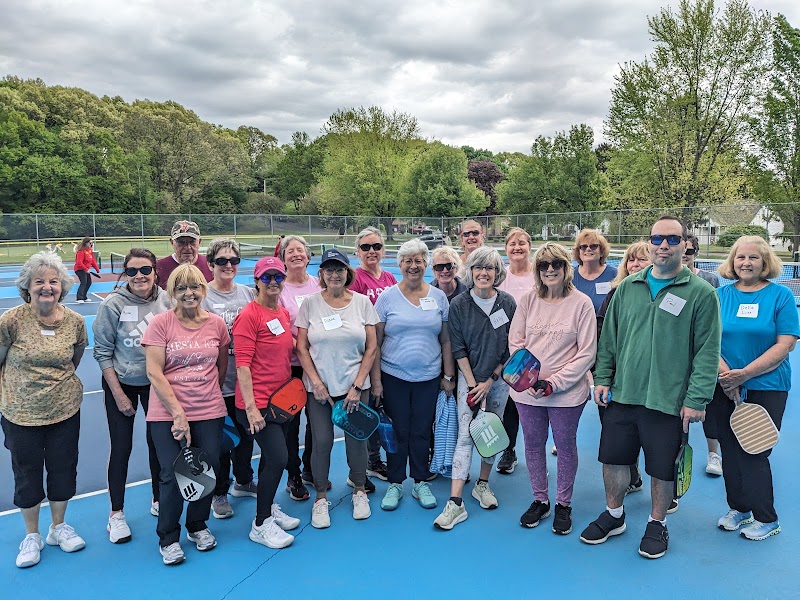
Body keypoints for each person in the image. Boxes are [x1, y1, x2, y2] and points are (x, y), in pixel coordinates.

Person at [581, 216, 721, 560]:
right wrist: (602, 377)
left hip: (668, 400)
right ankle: (614, 515)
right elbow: (609, 338)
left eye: (672, 240)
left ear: (685, 244)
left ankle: (657, 522)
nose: (663, 245)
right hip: (622, 394)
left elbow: (707, 351)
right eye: (657, 238)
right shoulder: (627, 288)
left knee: (661, 466)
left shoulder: (702, 294)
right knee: (613, 460)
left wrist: (697, 398)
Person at [1, 253, 88, 568]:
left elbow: (74, 358)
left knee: (64, 469)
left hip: (64, 411)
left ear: (62, 287)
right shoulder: (10, 321)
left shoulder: (75, 322)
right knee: (27, 474)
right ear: (28, 286)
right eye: (39, 282)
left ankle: (58, 527)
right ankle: (32, 534)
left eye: (53, 281)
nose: (46, 287)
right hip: (20, 415)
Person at [709, 236, 798, 540]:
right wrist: (727, 377)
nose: (746, 263)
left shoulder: (781, 296)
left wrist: (744, 375)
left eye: (753, 258)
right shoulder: (719, 296)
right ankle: (740, 509)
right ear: (732, 262)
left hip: (767, 387)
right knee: (730, 450)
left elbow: (786, 343)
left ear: (765, 262)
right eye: (740, 258)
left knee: (754, 450)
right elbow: (708, 341)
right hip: (723, 385)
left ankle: (767, 518)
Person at [142, 264, 230, 566]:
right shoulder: (160, 324)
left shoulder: (217, 324)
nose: (188, 293)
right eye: (181, 288)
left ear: (202, 290)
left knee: (206, 471)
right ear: (173, 293)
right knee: (170, 474)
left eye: (194, 287)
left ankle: (197, 525)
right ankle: (168, 536)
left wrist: (204, 396)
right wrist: (178, 412)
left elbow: (220, 367)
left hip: (209, 410)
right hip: (166, 413)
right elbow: (154, 371)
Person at [507, 243, 596, 534]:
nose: (549, 269)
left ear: (565, 267)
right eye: (543, 265)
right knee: (532, 445)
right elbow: (516, 342)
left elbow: (586, 353)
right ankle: (540, 500)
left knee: (566, 446)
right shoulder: (528, 301)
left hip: (566, 395)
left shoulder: (581, 303)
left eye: (555, 263)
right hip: (527, 393)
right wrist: (530, 380)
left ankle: (563, 504)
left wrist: (553, 383)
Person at [93, 248, 172, 543]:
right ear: (125, 274)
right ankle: (116, 514)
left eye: (145, 270)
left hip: (155, 384)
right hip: (122, 384)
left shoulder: (166, 300)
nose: (139, 276)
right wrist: (119, 394)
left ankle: (158, 499)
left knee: (158, 445)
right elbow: (102, 354)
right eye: (132, 271)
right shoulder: (113, 305)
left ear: (155, 272)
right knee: (121, 448)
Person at [296, 249, 379, 528]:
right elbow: (301, 347)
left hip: (355, 387)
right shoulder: (309, 304)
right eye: (329, 270)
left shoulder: (363, 302)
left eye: (339, 269)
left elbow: (371, 347)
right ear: (321, 274)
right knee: (321, 442)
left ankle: (358, 489)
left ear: (347, 272)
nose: (334, 274)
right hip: (319, 391)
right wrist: (316, 383)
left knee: (357, 442)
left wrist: (357, 387)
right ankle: (320, 497)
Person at [433, 247, 515, 530]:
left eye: (489, 268)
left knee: (491, 433)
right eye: (479, 268)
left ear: (497, 273)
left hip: (498, 383)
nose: (483, 273)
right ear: (471, 272)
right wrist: (472, 385)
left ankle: (482, 484)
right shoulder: (458, 305)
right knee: (465, 438)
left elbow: (510, 348)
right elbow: (457, 348)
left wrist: (490, 381)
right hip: (468, 384)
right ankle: (455, 502)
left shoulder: (508, 303)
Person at [372, 240, 456, 512]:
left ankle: (420, 481)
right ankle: (396, 482)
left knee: (421, 431)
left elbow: (445, 340)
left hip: (429, 378)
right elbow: (376, 342)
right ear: (399, 265)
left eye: (418, 260)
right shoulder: (387, 298)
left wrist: (448, 375)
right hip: (393, 376)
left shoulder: (438, 297)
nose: (413, 266)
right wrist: (376, 381)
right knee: (398, 432)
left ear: (425, 264)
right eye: (408, 261)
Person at [232, 256, 301, 548]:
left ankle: (268, 506)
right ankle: (260, 524)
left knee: (272, 459)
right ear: (257, 281)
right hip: (257, 404)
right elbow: (243, 366)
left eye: (277, 277)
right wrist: (250, 409)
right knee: (278, 458)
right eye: (266, 277)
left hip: (281, 402)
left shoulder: (283, 314)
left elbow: (292, 351)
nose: (273, 282)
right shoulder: (249, 315)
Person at [201, 239, 257, 520]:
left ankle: (243, 481)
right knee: (221, 442)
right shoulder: (203, 296)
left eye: (233, 260)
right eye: (222, 261)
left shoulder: (248, 294)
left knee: (247, 435)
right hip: (214, 383)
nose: (228, 266)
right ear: (211, 265)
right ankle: (219, 493)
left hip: (243, 382)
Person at [596, 241, 651, 496]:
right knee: (616, 436)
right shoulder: (615, 293)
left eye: (642, 259)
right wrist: (602, 375)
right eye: (631, 260)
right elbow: (602, 333)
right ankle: (631, 475)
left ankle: (651, 482)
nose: (635, 265)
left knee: (645, 433)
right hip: (615, 379)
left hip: (648, 381)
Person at [349, 226, 396, 482]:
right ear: (358, 251)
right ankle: (371, 460)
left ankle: (380, 457)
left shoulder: (389, 278)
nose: (371, 251)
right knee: (369, 410)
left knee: (384, 408)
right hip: (366, 355)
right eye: (366, 247)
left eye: (376, 246)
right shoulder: (356, 278)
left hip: (388, 354)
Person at [278, 234, 321, 501]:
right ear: (283, 258)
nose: (296, 254)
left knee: (317, 424)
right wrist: (303, 349)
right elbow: (282, 329)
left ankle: (310, 469)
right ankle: (293, 476)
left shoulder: (319, 285)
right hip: (291, 369)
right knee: (290, 426)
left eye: (300, 250)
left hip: (318, 367)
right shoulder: (279, 288)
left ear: (307, 256)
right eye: (290, 251)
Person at [496, 227, 536, 475]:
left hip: (535, 348)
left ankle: (537, 452)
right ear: (506, 248)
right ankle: (508, 450)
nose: (517, 247)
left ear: (529, 246)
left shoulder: (539, 275)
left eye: (522, 243)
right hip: (505, 347)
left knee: (535, 402)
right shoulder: (501, 277)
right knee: (510, 403)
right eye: (512, 244)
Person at [683, 233, 723, 476]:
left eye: (690, 251)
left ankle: (713, 454)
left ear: (695, 253)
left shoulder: (710, 280)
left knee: (710, 409)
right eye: (683, 250)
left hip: (703, 353)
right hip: (678, 357)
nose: (686, 255)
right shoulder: (667, 279)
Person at [156, 220, 213, 288]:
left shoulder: (210, 265)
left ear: (199, 242)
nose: (187, 247)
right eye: (181, 242)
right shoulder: (159, 267)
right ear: (172, 242)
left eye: (192, 242)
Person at [572, 229, 617, 314]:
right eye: (583, 247)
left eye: (593, 246)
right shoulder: (569, 276)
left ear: (601, 251)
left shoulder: (615, 275)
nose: (588, 249)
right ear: (578, 252)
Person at [73, 236, 100, 303]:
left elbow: (92, 260)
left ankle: (84, 297)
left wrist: (97, 268)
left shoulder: (90, 251)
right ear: (86, 243)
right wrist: (85, 269)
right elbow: (79, 262)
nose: (91, 244)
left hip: (86, 269)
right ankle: (79, 298)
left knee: (89, 283)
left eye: (92, 243)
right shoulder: (81, 252)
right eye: (90, 243)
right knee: (84, 282)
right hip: (79, 269)